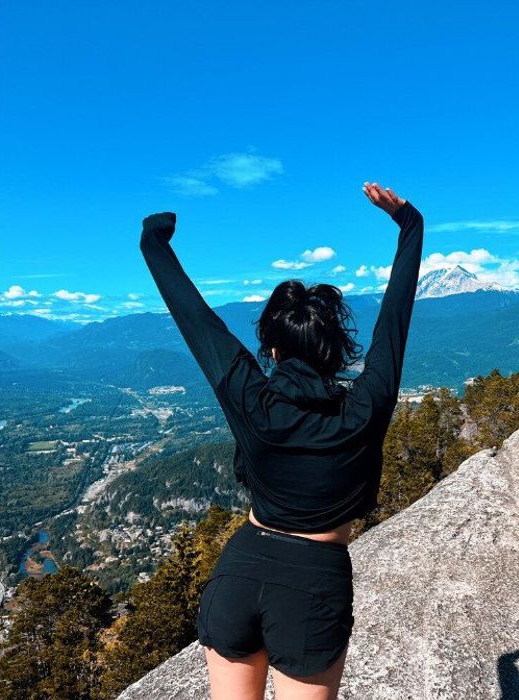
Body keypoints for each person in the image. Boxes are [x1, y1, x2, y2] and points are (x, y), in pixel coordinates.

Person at [139, 183, 423, 699]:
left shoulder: (252, 399)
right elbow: (393, 324)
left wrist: (155, 244)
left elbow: (196, 319)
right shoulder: (366, 406)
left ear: (270, 346)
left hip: (239, 571)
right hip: (313, 584)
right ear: (336, 350)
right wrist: (409, 225)